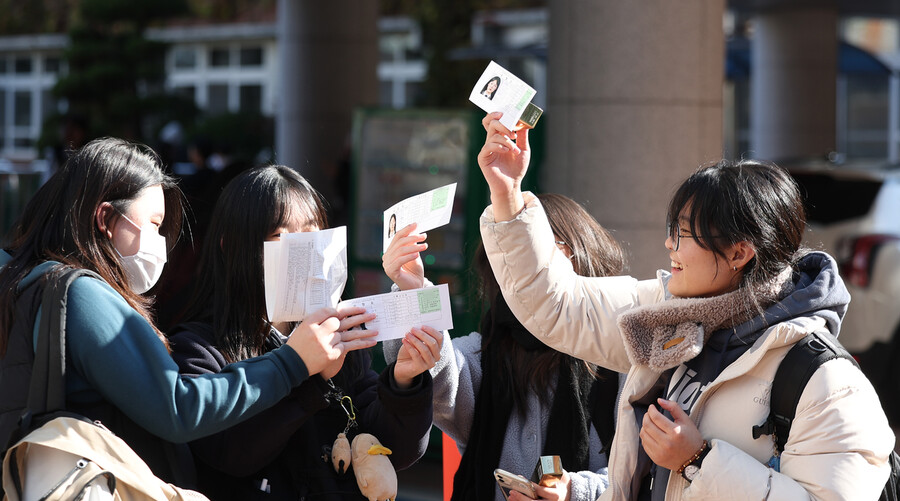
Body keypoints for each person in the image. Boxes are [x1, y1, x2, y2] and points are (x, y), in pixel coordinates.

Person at [474, 112, 895, 500]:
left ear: (739, 253)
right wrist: (508, 194)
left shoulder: (826, 379)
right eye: (671, 229)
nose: (668, 245)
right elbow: (559, 305)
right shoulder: (667, 313)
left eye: (684, 234)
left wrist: (698, 462)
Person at [0, 138, 375, 488]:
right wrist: (293, 362)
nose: (159, 242)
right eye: (153, 224)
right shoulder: (81, 292)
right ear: (104, 219)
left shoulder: (28, 282)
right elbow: (179, 408)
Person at [168, 165, 440, 500]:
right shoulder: (196, 348)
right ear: (231, 247)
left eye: (311, 236)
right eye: (280, 237)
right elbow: (229, 453)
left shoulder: (341, 335)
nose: (302, 250)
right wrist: (307, 369)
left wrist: (405, 382)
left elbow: (390, 450)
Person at [382, 193, 624, 501]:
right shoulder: (487, 352)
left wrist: (574, 491)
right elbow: (438, 370)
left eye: (535, 257)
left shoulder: (621, 357)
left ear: (575, 253)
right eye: (509, 263)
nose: (523, 276)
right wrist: (413, 289)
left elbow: (643, 475)